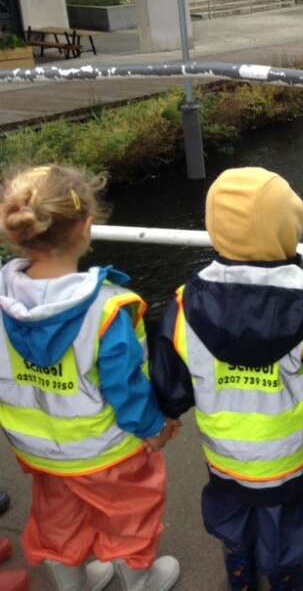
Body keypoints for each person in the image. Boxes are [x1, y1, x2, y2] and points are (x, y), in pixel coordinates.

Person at [151, 167, 303, 591]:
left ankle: (239, 576)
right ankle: (286, 580)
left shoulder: (186, 304)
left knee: (231, 513)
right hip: (286, 453)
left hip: (223, 450)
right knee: (287, 522)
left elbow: (171, 373)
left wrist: (167, 410)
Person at [0, 165, 180, 591]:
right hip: (106, 451)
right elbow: (126, 387)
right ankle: (140, 581)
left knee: (57, 520)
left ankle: (73, 584)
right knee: (131, 516)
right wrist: (153, 429)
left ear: (16, 231)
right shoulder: (107, 309)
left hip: (39, 451)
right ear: (87, 227)